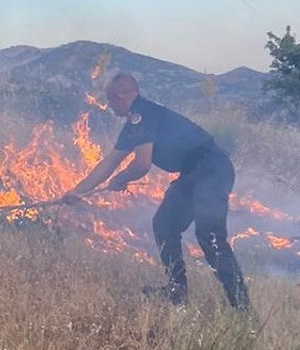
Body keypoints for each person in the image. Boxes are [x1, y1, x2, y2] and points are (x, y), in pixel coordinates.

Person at [61, 72, 251, 309]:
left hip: (211, 170)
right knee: (165, 225)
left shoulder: (142, 116)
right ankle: (176, 292)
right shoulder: (136, 121)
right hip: (192, 174)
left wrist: (121, 178)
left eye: (110, 100)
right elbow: (111, 161)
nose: (109, 106)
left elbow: (142, 164)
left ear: (120, 97)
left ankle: (243, 308)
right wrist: (77, 192)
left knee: (210, 238)